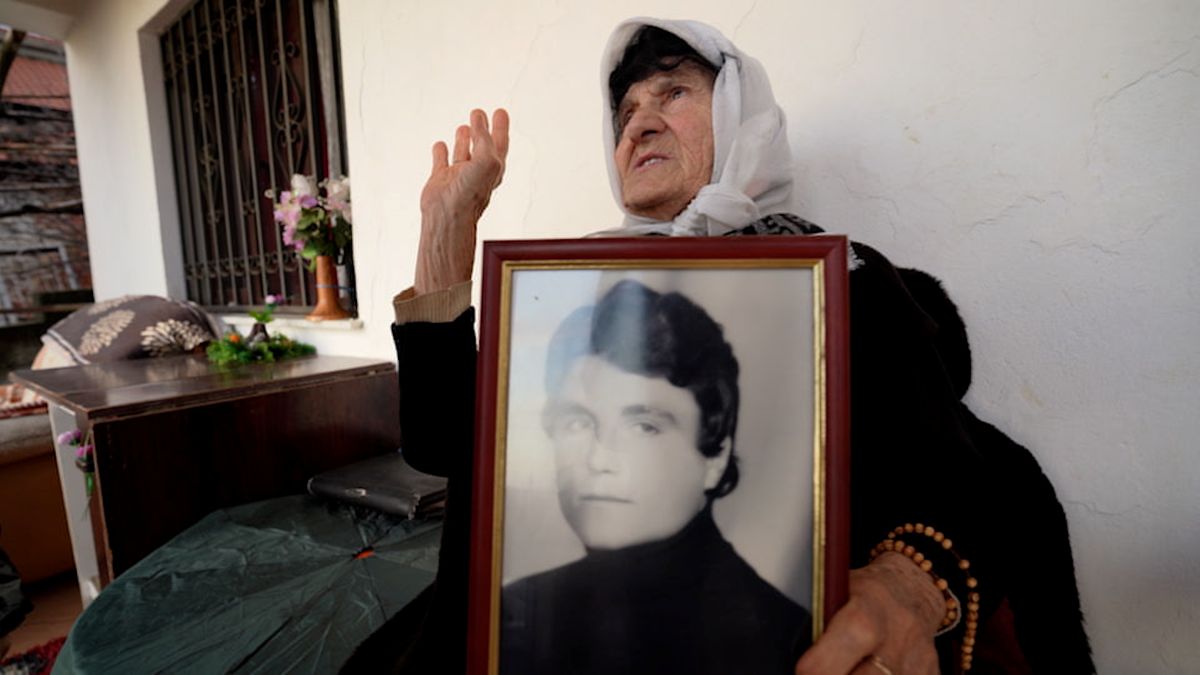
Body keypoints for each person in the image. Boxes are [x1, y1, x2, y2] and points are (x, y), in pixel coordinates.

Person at [344, 16, 1093, 675]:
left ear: (741, 114)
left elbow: (954, 466)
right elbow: (448, 445)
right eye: (625, 111)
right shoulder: (576, 285)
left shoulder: (836, 280)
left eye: (672, 93)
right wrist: (445, 234)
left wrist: (908, 581)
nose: (638, 124)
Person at [501, 279, 811, 674]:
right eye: (578, 422)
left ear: (715, 456)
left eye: (643, 427)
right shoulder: (512, 615)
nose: (598, 459)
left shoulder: (784, 641)